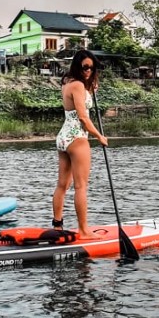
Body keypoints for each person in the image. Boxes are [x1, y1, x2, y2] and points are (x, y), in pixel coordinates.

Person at [52, 50, 108, 239]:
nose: (89, 71)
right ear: (77, 66)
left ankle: (57, 226)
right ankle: (84, 231)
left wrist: (90, 89)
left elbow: (79, 100)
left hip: (63, 137)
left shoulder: (68, 83)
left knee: (62, 185)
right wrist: (99, 136)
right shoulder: (77, 86)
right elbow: (83, 117)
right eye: (85, 67)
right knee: (81, 186)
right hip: (77, 137)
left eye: (92, 68)